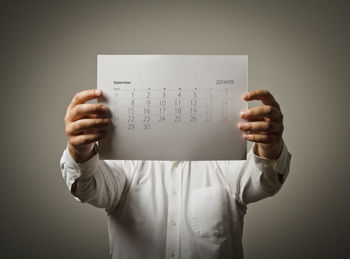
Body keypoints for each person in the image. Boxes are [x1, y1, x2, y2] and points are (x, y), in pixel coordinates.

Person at [60, 89, 291, 259]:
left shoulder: (226, 160)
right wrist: (80, 152)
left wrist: (269, 148)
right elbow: (88, 187)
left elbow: (265, 181)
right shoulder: (124, 162)